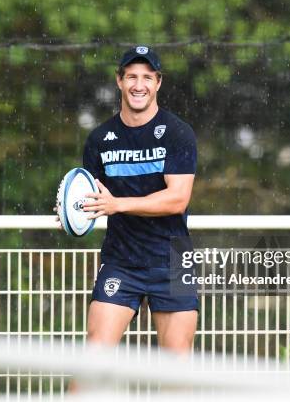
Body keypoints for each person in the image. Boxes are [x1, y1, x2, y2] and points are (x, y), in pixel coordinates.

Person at [61, 46, 198, 354]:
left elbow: (177, 199)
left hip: (174, 258)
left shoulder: (178, 133)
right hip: (121, 259)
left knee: (177, 365)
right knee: (94, 357)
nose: (139, 85)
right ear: (119, 80)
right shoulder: (99, 139)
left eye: (147, 77)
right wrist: (71, 210)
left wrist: (118, 204)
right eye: (132, 76)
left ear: (158, 82)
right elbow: (92, 197)